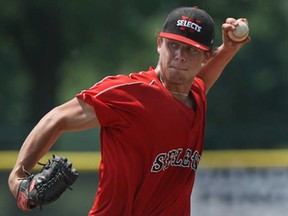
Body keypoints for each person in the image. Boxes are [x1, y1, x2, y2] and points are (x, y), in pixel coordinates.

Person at [8, 6, 249, 216]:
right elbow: (57, 118)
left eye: (190, 50)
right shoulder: (130, 93)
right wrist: (17, 177)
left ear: (206, 56)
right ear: (159, 44)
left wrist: (229, 49)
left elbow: (201, 82)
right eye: (173, 45)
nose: (179, 56)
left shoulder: (195, 94)